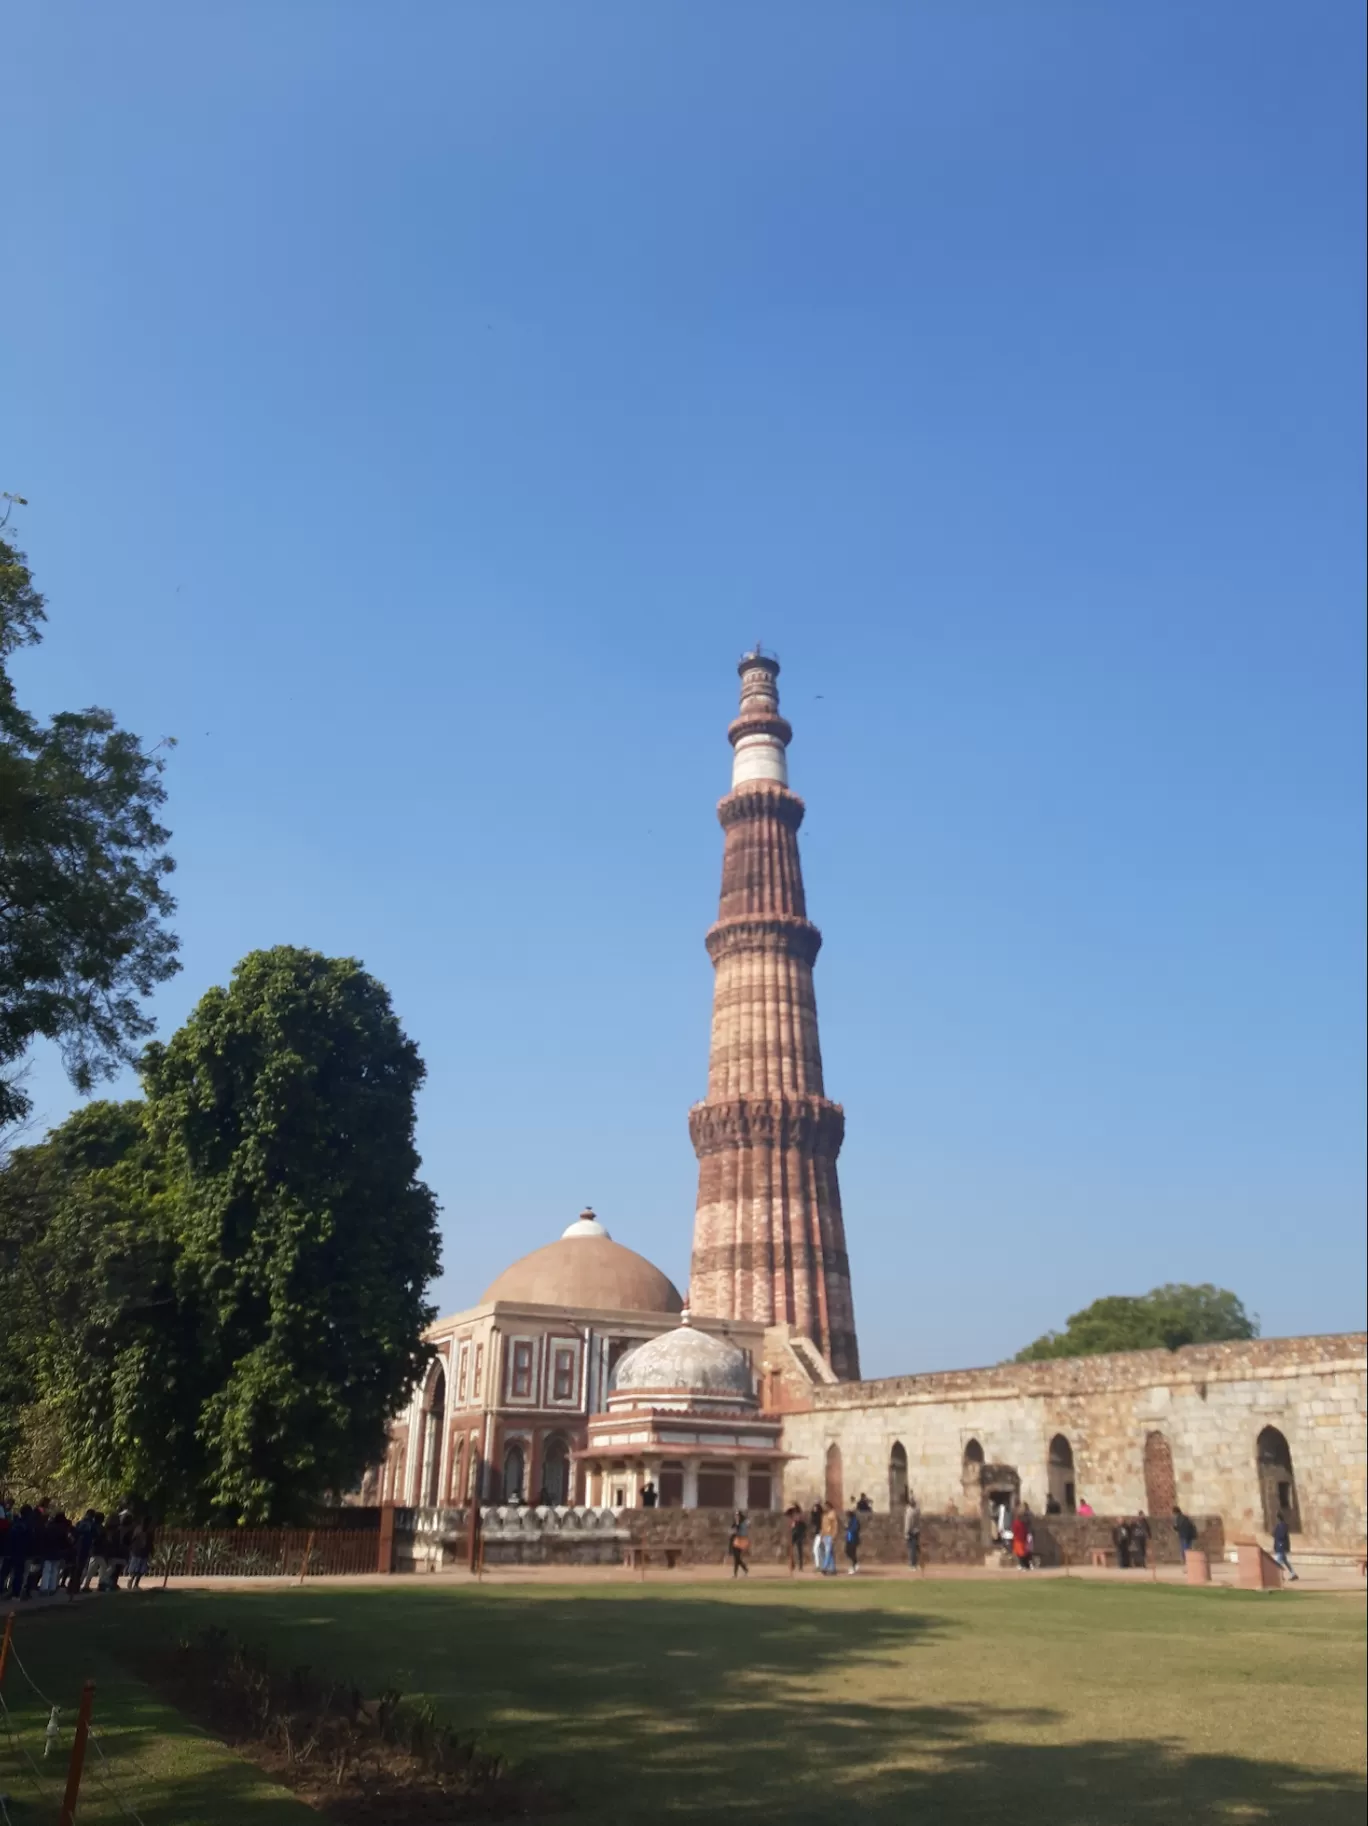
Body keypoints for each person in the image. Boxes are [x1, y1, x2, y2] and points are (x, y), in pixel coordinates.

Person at [1271, 1512, 1298, 1582]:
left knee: (1277, 1562)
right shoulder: (1279, 1525)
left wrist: (1276, 1535)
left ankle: (1280, 1576)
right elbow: (1274, 1533)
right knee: (1285, 1561)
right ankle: (1293, 1574)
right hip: (1279, 1545)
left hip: (1281, 1546)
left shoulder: (1282, 1526)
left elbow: (1281, 1535)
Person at [728, 1511, 750, 1578]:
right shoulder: (735, 1523)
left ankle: (744, 1569)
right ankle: (737, 1573)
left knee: (737, 1557)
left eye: (737, 1516)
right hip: (736, 1540)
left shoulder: (743, 1523)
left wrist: (737, 1525)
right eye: (735, 1516)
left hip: (742, 1540)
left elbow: (743, 1528)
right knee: (736, 1558)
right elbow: (732, 1530)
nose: (736, 1517)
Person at [819, 1502, 839, 1575]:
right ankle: (833, 1569)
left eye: (825, 1507)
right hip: (825, 1536)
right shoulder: (824, 1515)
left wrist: (833, 1536)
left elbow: (835, 1526)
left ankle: (825, 1567)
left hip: (830, 1536)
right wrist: (822, 1535)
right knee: (829, 1553)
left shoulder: (832, 1515)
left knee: (828, 1552)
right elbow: (823, 1527)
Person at [904, 1493, 922, 1570]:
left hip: (911, 1532)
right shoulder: (917, 1510)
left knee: (912, 1549)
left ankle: (912, 1565)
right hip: (917, 1530)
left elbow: (908, 1523)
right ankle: (917, 1563)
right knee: (916, 1548)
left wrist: (906, 1533)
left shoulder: (910, 1512)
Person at [789, 1506, 808, 1573]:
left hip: (799, 1536)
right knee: (791, 1550)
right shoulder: (793, 1520)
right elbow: (791, 1529)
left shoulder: (801, 1521)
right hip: (794, 1535)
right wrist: (792, 1526)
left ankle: (800, 1566)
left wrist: (803, 1535)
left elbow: (804, 1527)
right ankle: (792, 1564)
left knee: (799, 1551)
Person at [844, 1505, 862, 1575]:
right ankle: (855, 1563)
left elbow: (855, 1529)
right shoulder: (850, 1520)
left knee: (852, 1552)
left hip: (853, 1539)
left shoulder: (855, 1520)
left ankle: (853, 1566)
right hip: (849, 1538)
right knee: (847, 1551)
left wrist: (848, 1528)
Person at [810, 1500, 825, 1572]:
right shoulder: (817, 1516)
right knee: (820, 1549)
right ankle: (821, 1565)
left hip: (820, 1534)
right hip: (819, 1534)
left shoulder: (820, 1517)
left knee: (816, 1549)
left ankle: (818, 1565)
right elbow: (813, 1520)